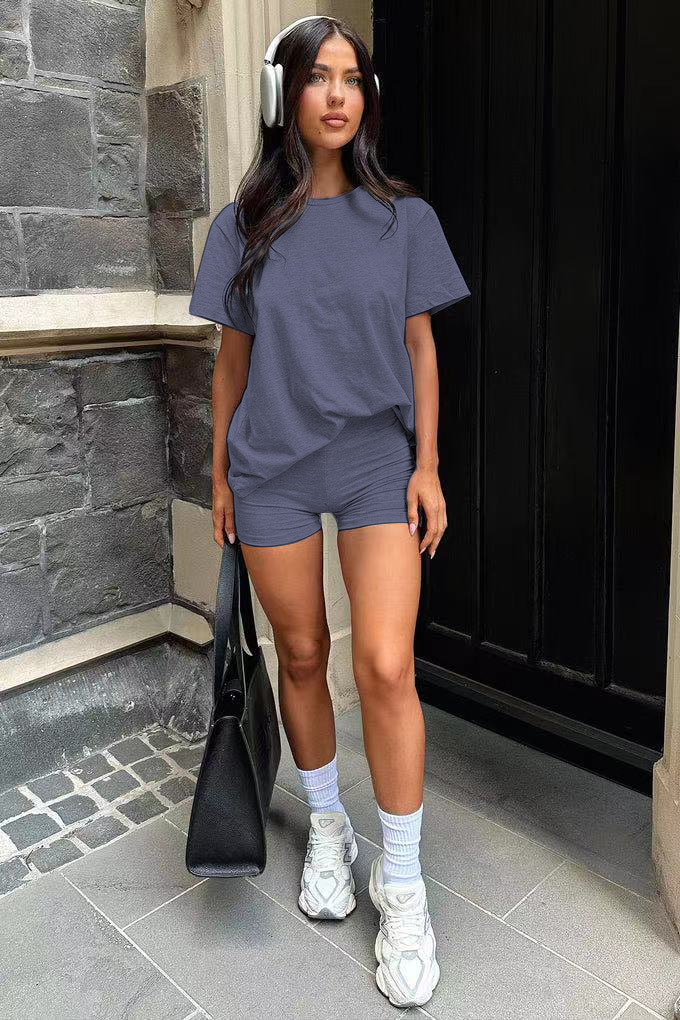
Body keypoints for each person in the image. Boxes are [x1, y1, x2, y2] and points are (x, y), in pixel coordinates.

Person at [188, 14, 471, 1010]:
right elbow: (231, 364)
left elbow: (421, 348)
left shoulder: (405, 220)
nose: (339, 95)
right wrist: (221, 477)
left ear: (368, 97)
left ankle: (403, 884)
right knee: (301, 655)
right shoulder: (242, 227)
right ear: (286, 96)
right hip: (270, 466)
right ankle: (327, 829)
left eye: (352, 78)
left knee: (384, 663)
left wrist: (426, 467)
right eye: (318, 78)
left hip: (372, 463)